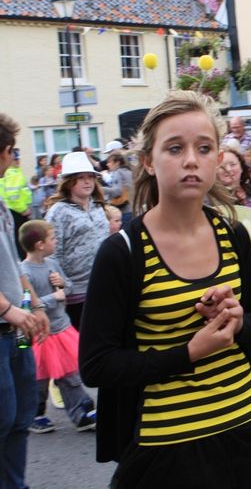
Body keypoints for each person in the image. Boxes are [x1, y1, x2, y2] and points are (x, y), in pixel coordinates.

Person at [79, 91, 251, 486]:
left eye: (204, 148)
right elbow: (97, 365)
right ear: (148, 161)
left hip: (247, 425)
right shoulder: (123, 252)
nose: (191, 161)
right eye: (174, 148)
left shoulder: (232, 233)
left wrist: (237, 324)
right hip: (168, 445)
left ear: (218, 158)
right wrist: (188, 353)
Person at [0, 112, 50, 489]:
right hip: (3, 327)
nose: (14, 159)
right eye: (14, 152)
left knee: (20, 414)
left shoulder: (2, 206)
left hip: (15, 330)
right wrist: (9, 310)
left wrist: (33, 304)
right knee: (2, 416)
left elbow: (11, 263)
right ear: (5, 152)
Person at [18, 220, 96, 434]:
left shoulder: (52, 264)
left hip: (62, 330)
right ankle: (34, 415)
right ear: (40, 244)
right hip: (41, 336)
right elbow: (24, 304)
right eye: (52, 239)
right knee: (39, 381)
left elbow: (68, 286)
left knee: (70, 375)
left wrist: (61, 282)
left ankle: (82, 413)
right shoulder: (25, 272)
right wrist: (54, 297)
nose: (55, 242)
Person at [44, 151, 109, 331]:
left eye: (90, 177)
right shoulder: (58, 211)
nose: (87, 181)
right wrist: (64, 286)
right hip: (75, 291)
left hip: (102, 284)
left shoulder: (98, 206)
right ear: (69, 182)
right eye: (81, 178)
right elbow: (52, 253)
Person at [104, 151, 133, 224]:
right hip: (132, 208)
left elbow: (117, 192)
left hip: (124, 209)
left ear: (117, 163)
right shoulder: (129, 171)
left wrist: (102, 189)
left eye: (110, 162)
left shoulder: (118, 173)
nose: (107, 164)